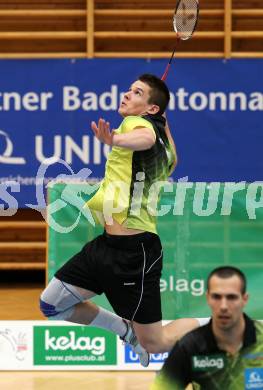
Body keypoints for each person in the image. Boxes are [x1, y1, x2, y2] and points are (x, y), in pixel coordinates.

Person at [40, 74, 201, 367]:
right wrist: (161, 115)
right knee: (51, 304)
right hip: (107, 245)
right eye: (129, 89)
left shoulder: (135, 126)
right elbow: (166, 147)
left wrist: (115, 138)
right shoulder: (167, 149)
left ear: (150, 109)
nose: (127, 94)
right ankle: (125, 331)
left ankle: (213, 326)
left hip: (134, 253)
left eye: (136, 92)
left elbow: (145, 136)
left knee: (157, 343)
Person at [152, 266, 263, 389]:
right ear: (207, 298)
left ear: (245, 299)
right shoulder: (190, 346)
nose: (223, 306)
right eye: (216, 297)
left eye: (231, 297)